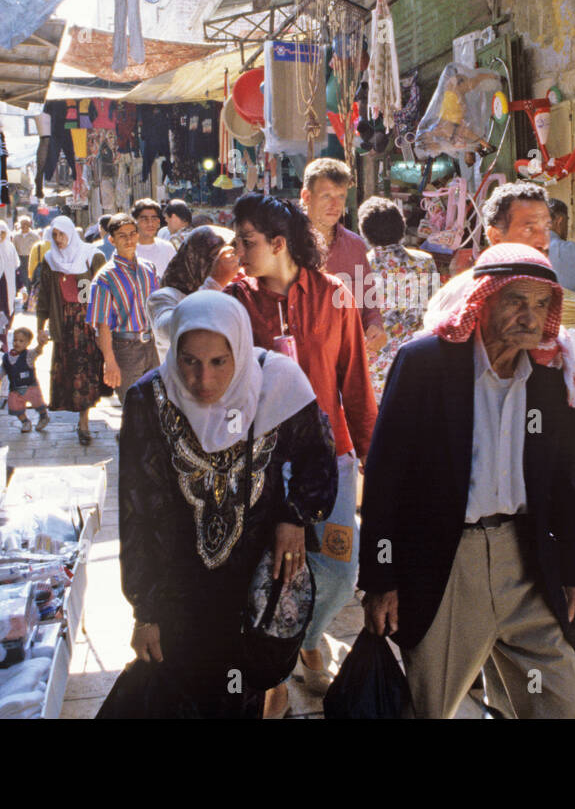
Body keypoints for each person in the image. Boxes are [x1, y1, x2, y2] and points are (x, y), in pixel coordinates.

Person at [360, 243, 575, 718]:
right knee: (432, 706)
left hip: (524, 562)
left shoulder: (547, 377)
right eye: (516, 301)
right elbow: (385, 475)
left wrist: (573, 575)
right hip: (447, 564)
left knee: (562, 702)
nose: (531, 317)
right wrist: (380, 580)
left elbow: (563, 485)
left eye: (541, 304)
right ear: (483, 300)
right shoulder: (426, 363)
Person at [102, 291, 337, 719]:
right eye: (189, 361)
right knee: (181, 692)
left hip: (251, 584)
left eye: (218, 362)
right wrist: (145, 609)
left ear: (241, 350)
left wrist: (296, 516)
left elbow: (318, 460)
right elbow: (137, 511)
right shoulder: (149, 401)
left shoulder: (276, 385)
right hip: (179, 589)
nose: (202, 380)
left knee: (240, 692)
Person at [225, 193, 377, 710]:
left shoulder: (334, 295)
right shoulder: (237, 302)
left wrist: (372, 458)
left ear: (279, 243)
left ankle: (307, 640)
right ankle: (277, 677)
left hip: (330, 460)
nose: (238, 250)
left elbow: (354, 380)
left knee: (338, 570)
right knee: (272, 572)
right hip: (263, 464)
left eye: (247, 241)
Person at [421, 181, 553, 331]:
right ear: (496, 237)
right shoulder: (461, 297)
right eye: (529, 229)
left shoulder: (545, 290)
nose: (544, 242)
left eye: (547, 229)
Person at [299, 158, 387, 357]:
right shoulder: (287, 244)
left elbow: (369, 301)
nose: (335, 204)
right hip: (303, 358)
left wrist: (375, 327)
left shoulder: (355, 245)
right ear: (306, 196)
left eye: (340, 196)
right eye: (326, 196)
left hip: (348, 357)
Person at [35, 217, 108, 445]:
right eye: (54, 235)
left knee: (86, 372)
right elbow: (44, 296)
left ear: (71, 233)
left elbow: (103, 292)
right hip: (64, 324)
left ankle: (84, 421)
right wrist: (40, 327)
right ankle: (78, 418)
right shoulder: (50, 260)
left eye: (62, 234)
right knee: (69, 372)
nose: (58, 239)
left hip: (87, 325)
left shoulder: (91, 256)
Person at [356, 196, 438, 400]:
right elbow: (435, 310)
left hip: (376, 372)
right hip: (418, 363)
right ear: (401, 226)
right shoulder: (425, 262)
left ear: (364, 232)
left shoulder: (360, 268)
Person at [88, 212, 160, 405]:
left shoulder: (149, 269)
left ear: (138, 235)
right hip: (125, 350)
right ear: (112, 240)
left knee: (157, 408)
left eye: (132, 233)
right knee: (133, 409)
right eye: (122, 235)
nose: (129, 239)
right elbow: (102, 325)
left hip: (152, 346)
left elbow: (158, 307)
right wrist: (109, 362)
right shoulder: (105, 277)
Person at [147, 225, 239, 362]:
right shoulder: (164, 297)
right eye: (217, 261)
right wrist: (214, 282)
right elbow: (170, 329)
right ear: (196, 256)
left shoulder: (230, 293)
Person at [0, 326, 50, 433]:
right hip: (15, 389)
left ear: (27, 343)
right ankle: (25, 422)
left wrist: (41, 344)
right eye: (15, 340)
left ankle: (43, 416)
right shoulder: (7, 357)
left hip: (30, 387)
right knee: (15, 406)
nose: (17, 343)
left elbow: (37, 351)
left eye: (21, 341)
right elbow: (3, 368)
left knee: (38, 403)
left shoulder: (29, 355)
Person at [132, 198, 174, 280]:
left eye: (154, 219)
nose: (150, 223)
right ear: (135, 222)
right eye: (144, 219)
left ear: (158, 222)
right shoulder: (128, 250)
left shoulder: (167, 248)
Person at [10, 216, 42, 306]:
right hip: (20, 259)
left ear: (29, 225)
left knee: (31, 280)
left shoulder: (35, 236)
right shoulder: (16, 236)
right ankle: (26, 302)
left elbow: (38, 248)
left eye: (26, 224)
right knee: (24, 280)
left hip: (31, 259)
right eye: (22, 224)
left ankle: (30, 302)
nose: (24, 226)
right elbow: (13, 249)